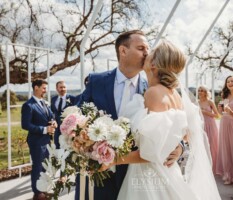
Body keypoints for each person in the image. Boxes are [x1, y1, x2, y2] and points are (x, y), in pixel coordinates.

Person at [100, 40, 221, 200]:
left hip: (149, 178)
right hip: (168, 172)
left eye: (150, 52)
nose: (146, 54)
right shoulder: (175, 95)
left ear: (154, 64)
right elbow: (185, 133)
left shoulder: (154, 93)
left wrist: (112, 160)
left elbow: (149, 154)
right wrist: (178, 147)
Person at [77, 30, 183, 200]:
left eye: (149, 49)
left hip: (138, 177)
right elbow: (76, 118)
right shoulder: (96, 81)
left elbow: (176, 125)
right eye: (141, 48)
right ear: (123, 51)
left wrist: (180, 147)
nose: (147, 53)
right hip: (100, 176)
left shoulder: (153, 89)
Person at [21, 79, 57, 200]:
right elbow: (25, 125)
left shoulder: (45, 103)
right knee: (37, 167)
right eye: (43, 88)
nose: (45, 90)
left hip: (46, 141)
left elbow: (51, 116)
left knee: (44, 167)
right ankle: (37, 193)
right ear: (36, 88)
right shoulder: (28, 105)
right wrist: (44, 129)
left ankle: (43, 189)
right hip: (36, 142)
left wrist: (54, 122)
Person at [216, 75, 233, 185]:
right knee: (226, 149)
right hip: (224, 124)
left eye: (232, 81)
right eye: (228, 82)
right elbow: (223, 113)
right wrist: (220, 110)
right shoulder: (225, 95)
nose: (230, 83)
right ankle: (228, 175)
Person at [198, 85, 219, 174]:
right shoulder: (197, 102)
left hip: (211, 124)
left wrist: (205, 112)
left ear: (205, 92)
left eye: (202, 90)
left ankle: (214, 167)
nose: (200, 92)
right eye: (199, 90)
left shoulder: (210, 102)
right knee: (203, 145)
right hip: (202, 125)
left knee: (212, 144)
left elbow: (217, 115)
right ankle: (205, 167)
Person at [51, 81, 76, 149]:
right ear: (57, 88)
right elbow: (52, 112)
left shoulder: (72, 99)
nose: (63, 89)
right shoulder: (53, 99)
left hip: (68, 129)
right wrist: (53, 120)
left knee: (69, 147)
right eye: (61, 87)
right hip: (57, 129)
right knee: (57, 146)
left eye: (64, 87)